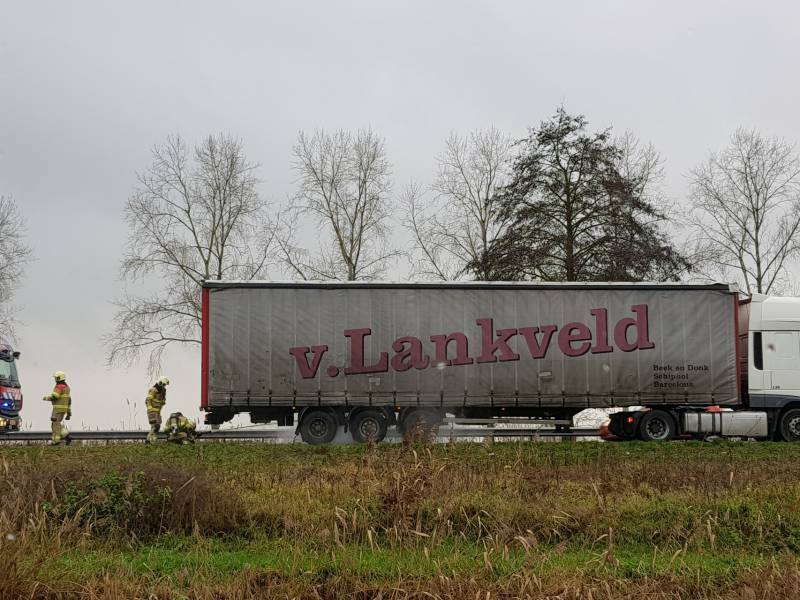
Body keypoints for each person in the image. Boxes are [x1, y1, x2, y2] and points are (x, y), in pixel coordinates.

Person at [42, 371, 71, 445]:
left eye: (56, 378)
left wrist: (45, 398)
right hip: (63, 409)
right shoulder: (67, 388)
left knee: (55, 425)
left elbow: (54, 396)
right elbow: (69, 400)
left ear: (59, 378)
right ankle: (66, 435)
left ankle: (56, 441)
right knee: (56, 423)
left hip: (57, 409)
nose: (55, 379)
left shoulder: (59, 386)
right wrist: (69, 413)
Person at [145, 376, 169, 443]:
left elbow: (163, 399)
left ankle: (150, 440)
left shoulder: (163, 390)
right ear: (159, 382)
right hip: (152, 411)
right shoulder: (153, 390)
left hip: (158, 411)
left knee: (157, 426)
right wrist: (150, 408)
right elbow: (148, 400)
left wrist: (163, 401)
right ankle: (149, 440)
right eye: (163, 384)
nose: (164, 386)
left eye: (165, 385)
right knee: (155, 426)